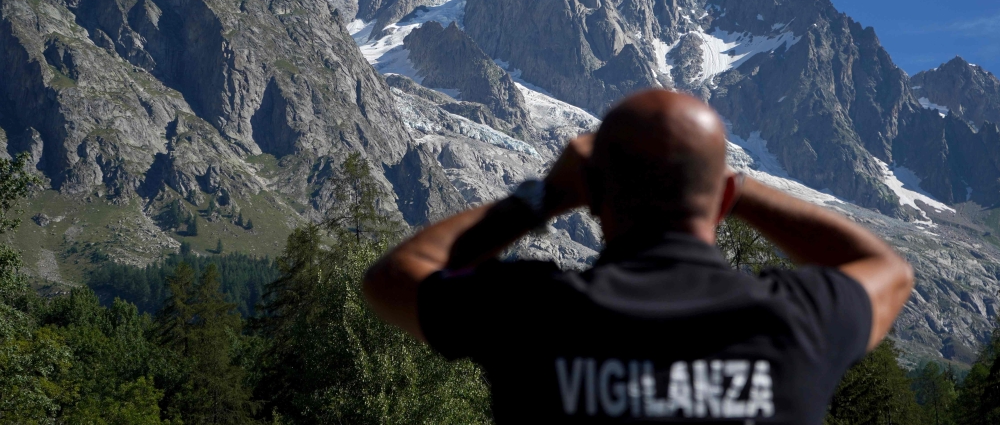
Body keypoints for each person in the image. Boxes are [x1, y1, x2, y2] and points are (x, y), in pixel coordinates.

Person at [363, 89, 914, 423]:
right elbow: (888, 270)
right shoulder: (799, 318)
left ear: (596, 196)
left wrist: (546, 196)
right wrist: (733, 184)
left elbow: (393, 278)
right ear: (721, 201)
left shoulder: (532, 311)